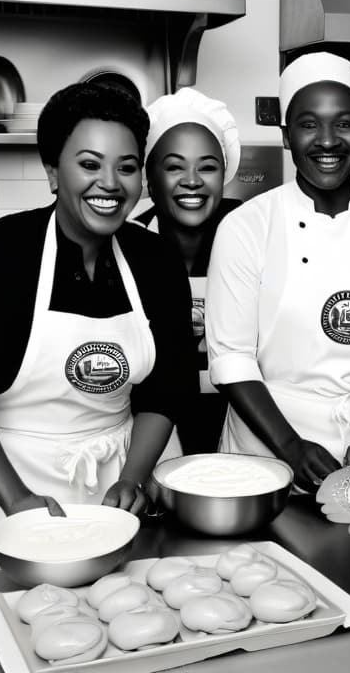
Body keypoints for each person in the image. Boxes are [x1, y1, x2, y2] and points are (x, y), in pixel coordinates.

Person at [0, 82, 196, 578]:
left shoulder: (155, 262)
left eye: (127, 166)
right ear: (53, 171)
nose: (110, 183)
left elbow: (166, 389)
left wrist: (134, 477)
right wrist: (17, 501)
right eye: (89, 164)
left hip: (115, 481)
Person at [205, 52, 350, 488]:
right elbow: (231, 359)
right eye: (309, 123)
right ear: (286, 135)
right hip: (270, 447)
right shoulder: (246, 227)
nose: (327, 140)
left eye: (344, 123)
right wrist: (291, 448)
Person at [134, 87, 242, 454]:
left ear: (224, 175)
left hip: (242, 417)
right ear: (150, 180)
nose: (192, 180)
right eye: (175, 166)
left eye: (207, 166)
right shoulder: (130, 248)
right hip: (152, 423)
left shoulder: (251, 239)